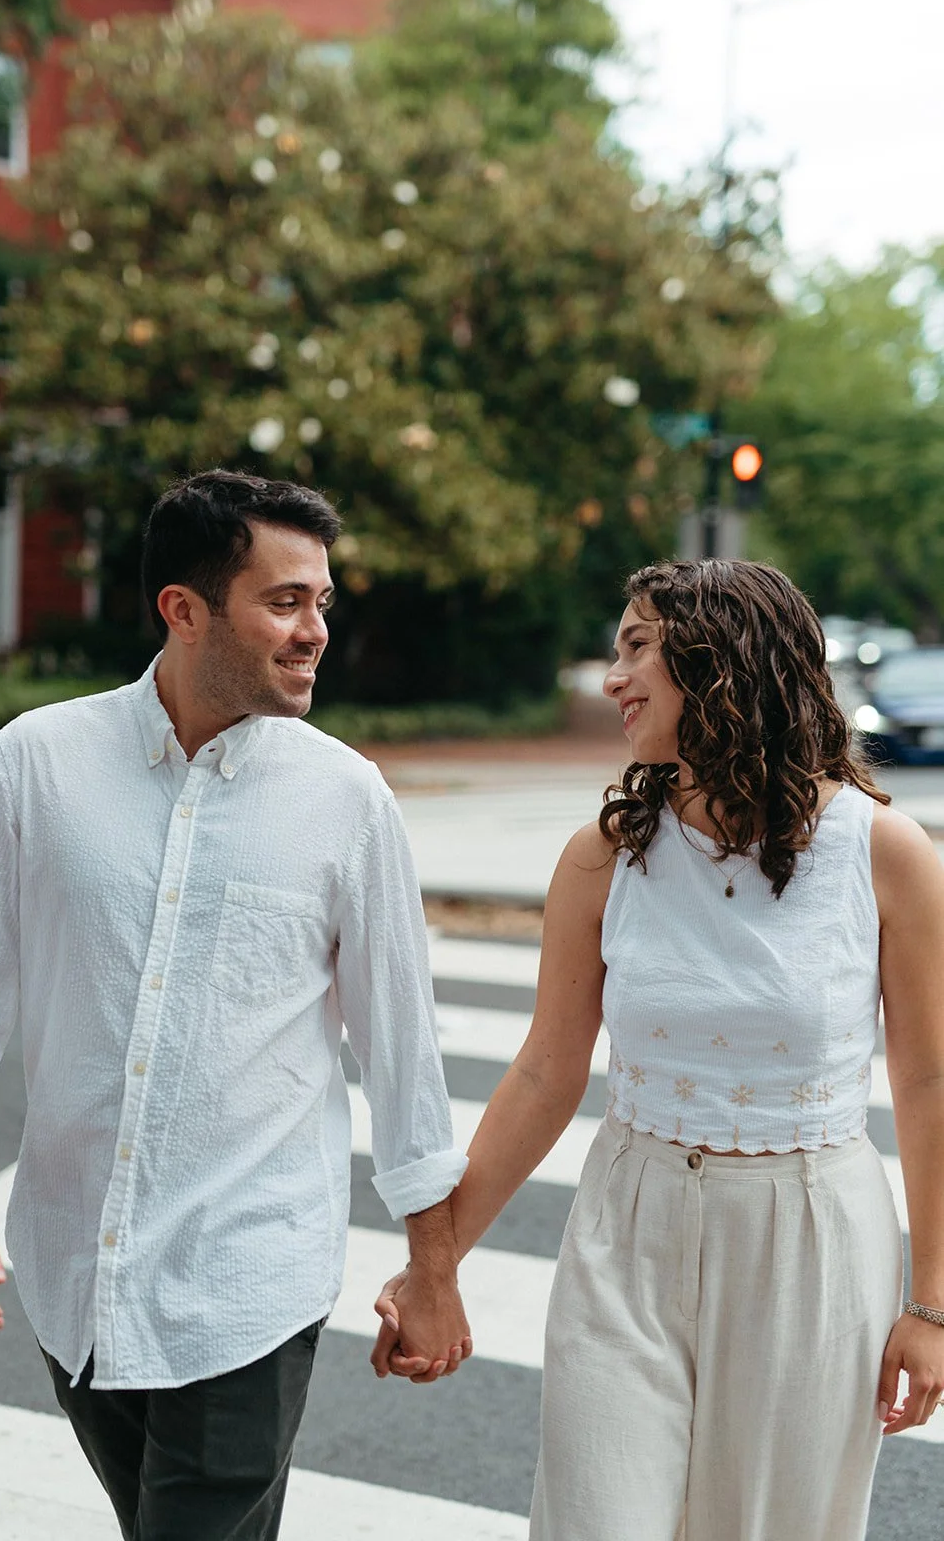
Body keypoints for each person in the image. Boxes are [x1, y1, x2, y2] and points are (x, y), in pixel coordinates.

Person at [0, 468, 470, 1541]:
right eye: (284, 600)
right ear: (184, 608)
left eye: (321, 603)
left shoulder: (345, 801)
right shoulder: (38, 762)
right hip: (78, 1284)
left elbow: (402, 1055)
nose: (314, 632)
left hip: (247, 1282)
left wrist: (430, 1268)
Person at [373, 558, 944, 1540]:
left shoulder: (881, 853)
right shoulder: (606, 853)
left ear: (719, 663)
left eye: (635, 646)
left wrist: (930, 1306)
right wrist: (435, 1264)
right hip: (626, 1228)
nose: (610, 677)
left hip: (807, 1241)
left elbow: (930, 1083)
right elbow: (546, 1071)